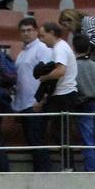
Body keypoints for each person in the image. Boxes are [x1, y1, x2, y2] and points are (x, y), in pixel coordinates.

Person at [11, 17, 52, 173]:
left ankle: (45, 175)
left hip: (35, 102)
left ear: (36, 31)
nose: (26, 34)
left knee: (38, 141)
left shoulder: (42, 49)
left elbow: (47, 74)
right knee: (32, 142)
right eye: (23, 31)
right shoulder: (22, 53)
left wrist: (42, 98)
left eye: (29, 30)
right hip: (23, 103)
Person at [35, 21, 78, 171]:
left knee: (61, 132)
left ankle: (68, 167)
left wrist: (45, 78)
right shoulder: (62, 47)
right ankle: (67, 165)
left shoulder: (59, 48)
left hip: (64, 95)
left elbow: (60, 71)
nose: (41, 39)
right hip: (62, 94)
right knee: (58, 132)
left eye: (43, 36)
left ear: (52, 33)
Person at [71, 38, 95, 172]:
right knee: (92, 138)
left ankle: (91, 170)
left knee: (87, 139)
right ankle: (94, 168)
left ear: (74, 48)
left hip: (82, 104)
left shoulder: (74, 66)